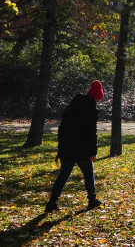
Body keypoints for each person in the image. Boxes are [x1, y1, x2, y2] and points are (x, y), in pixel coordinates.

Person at [45, 80, 104, 212]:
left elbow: (62, 128)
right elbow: (91, 133)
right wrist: (93, 152)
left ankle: (52, 202)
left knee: (63, 175)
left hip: (67, 148)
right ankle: (92, 200)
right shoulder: (91, 108)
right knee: (89, 174)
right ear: (97, 96)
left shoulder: (72, 105)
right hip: (82, 149)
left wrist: (61, 148)